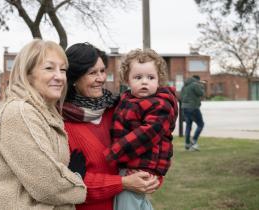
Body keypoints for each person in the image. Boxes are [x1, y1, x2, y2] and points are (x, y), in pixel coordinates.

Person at [0, 39, 87, 210]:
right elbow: (48, 185)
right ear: (27, 74)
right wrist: (77, 178)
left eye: (63, 69)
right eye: (49, 68)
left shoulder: (46, 113)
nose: (59, 77)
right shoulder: (19, 112)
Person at [62, 43, 161, 210]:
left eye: (102, 71)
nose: (101, 78)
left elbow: (153, 148)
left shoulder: (118, 109)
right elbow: (66, 186)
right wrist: (123, 183)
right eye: (92, 73)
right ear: (74, 79)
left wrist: (151, 177)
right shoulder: (62, 124)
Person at [103, 49, 178, 210]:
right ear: (127, 80)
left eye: (151, 77)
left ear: (159, 80)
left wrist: (115, 152)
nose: (145, 82)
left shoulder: (160, 104)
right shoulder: (128, 99)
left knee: (126, 202)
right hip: (131, 162)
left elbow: (147, 133)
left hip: (144, 164)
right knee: (135, 202)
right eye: (138, 77)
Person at [180, 75, 205, 151]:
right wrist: (201, 86)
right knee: (201, 124)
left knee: (188, 125)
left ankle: (187, 144)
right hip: (193, 107)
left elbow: (181, 96)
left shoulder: (185, 85)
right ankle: (193, 141)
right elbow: (201, 93)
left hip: (184, 107)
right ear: (197, 79)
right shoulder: (195, 84)